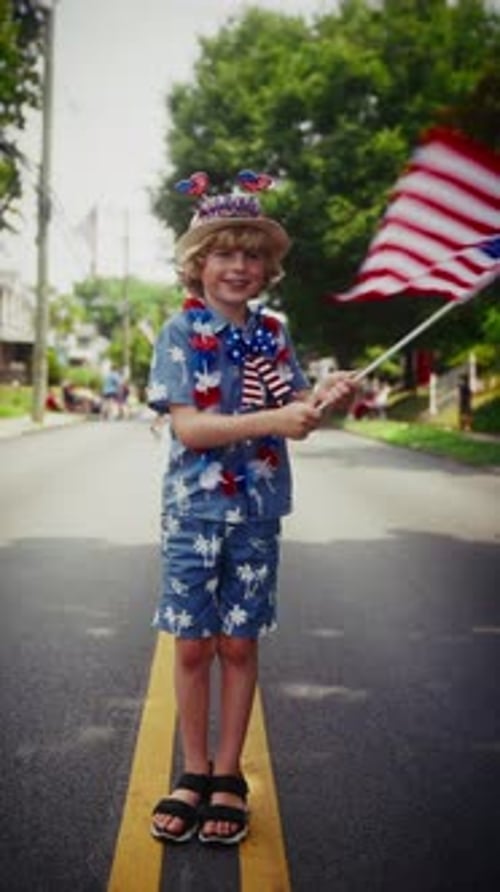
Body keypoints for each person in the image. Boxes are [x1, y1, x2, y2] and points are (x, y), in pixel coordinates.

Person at [147, 174, 354, 847]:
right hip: (195, 513)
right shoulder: (180, 333)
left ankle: (229, 773)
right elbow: (190, 429)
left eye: (252, 254)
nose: (238, 266)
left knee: (238, 643)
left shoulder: (274, 334)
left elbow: (296, 416)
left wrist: (324, 400)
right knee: (192, 645)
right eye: (223, 253)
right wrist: (273, 416)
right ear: (197, 263)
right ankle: (193, 771)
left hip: (258, 510)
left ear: (267, 267)